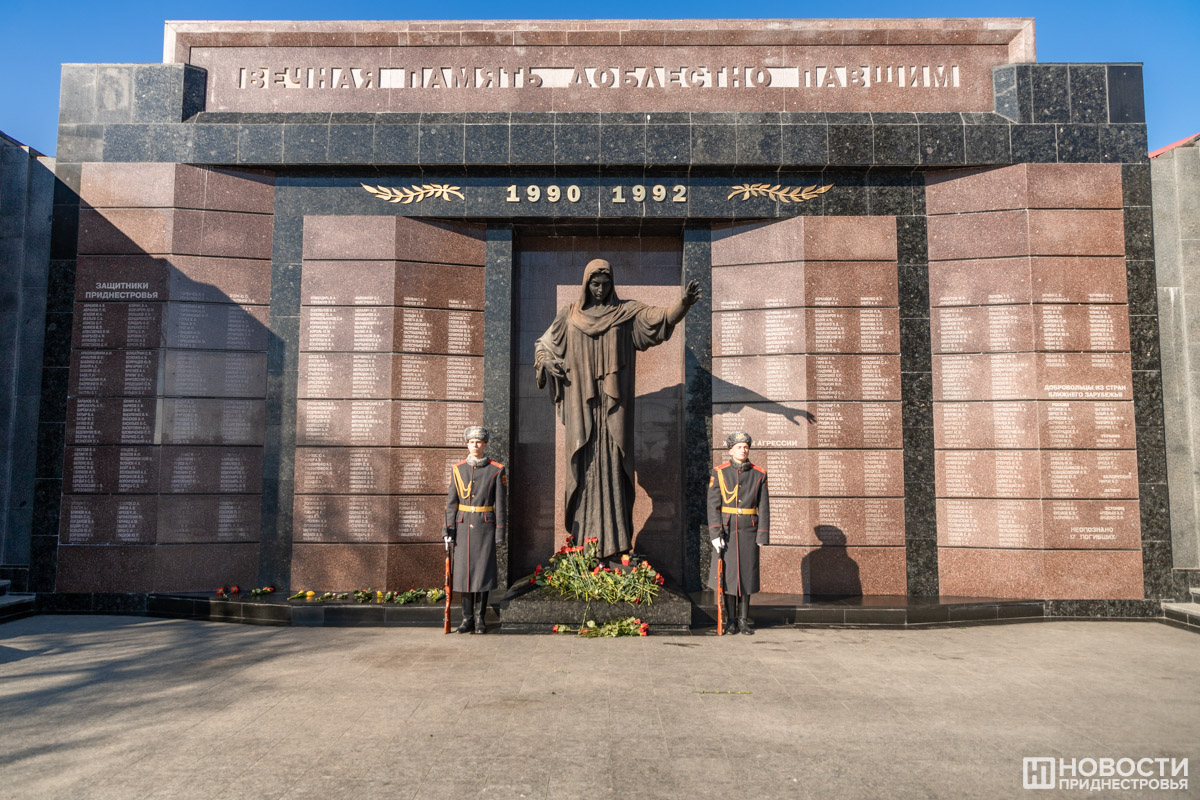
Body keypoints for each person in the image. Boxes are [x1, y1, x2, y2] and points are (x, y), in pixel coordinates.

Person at [534, 258, 701, 563]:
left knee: (613, 468)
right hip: (582, 411)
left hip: (613, 411)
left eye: (606, 283)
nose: (600, 289)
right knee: (583, 469)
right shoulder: (568, 316)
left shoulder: (626, 313)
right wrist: (545, 362)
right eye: (594, 284)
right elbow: (544, 345)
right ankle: (584, 546)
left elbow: (660, 320)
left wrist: (684, 305)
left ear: (612, 284)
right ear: (586, 284)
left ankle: (615, 545)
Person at [444, 426, 506, 634]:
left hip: (484, 526)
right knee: (463, 575)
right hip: (462, 528)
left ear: (485, 444)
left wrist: (500, 531)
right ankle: (466, 619)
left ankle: (480, 619)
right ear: (467, 444)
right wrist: (448, 529)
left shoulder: (496, 470)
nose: (475, 445)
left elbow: (501, 504)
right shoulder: (458, 469)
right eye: (472, 441)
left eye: (479, 441)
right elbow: (452, 502)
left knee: (482, 574)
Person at [708, 431, 770, 635]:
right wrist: (715, 533)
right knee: (728, 577)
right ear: (730, 450)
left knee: (747, 576)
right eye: (739, 447)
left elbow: (763, 506)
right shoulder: (720, 472)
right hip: (726, 530)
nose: (743, 450)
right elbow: (713, 505)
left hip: (748, 530)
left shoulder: (758, 474)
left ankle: (744, 620)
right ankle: (731, 620)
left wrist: (762, 534)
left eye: (746, 447)